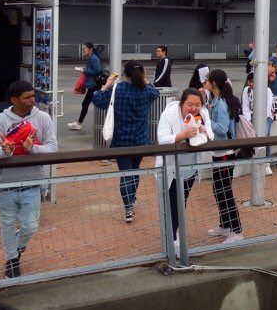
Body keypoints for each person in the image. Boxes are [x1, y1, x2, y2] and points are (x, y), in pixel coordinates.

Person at [0, 80, 58, 278]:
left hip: (32, 179)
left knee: (30, 224)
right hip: (6, 180)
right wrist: (4, 151)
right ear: (13, 100)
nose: (32, 101)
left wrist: (32, 148)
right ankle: (12, 260)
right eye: (27, 97)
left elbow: (52, 147)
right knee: (7, 222)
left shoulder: (43, 118)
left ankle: (16, 249)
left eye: (33, 96)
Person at [92, 61, 160, 223]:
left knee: (125, 173)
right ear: (142, 74)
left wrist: (106, 85)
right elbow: (155, 92)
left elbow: (98, 100)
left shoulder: (118, 89)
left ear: (124, 74)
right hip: (140, 139)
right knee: (135, 170)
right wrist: (144, 78)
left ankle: (128, 208)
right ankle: (132, 197)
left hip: (121, 140)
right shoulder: (146, 91)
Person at [156, 88, 211, 247]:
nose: (193, 108)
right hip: (170, 167)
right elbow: (162, 139)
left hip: (189, 167)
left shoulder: (202, 114)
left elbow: (211, 134)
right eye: (190, 104)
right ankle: (171, 238)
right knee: (171, 201)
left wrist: (204, 130)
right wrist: (183, 136)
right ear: (182, 103)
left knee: (182, 201)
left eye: (197, 104)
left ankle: (173, 234)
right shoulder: (170, 114)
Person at [203, 69, 243, 243]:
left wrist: (206, 123)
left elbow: (222, 128)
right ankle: (225, 225)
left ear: (214, 84)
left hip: (225, 153)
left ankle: (237, 230)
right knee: (219, 189)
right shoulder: (218, 100)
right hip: (221, 152)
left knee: (224, 191)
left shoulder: (221, 103)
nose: (205, 83)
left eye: (207, 80)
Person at [242, 70, 277, 176]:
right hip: (253, 114)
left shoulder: (267, 90)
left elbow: (267, 109)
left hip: (267, 115)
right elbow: (245, 107)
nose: (253, 84)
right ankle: (252, 159)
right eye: (251, 81)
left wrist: (259, 121)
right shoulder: (246, 90)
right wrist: (249, 121)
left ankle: (266, 163)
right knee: (250, 132)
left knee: (265, 134)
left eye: (255, 81)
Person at [68, 42, 101, 130]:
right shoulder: (92, 58)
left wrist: (84, 71)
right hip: (94, 85)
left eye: (84, 48)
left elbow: (97, 70)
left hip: (95, 85)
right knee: (87, 103)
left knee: (86, 103)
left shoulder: (93, 58)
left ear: (90, 49)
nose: (83, 50)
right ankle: (79, 123)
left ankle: (79, 123)